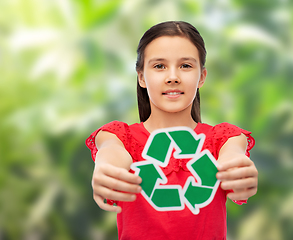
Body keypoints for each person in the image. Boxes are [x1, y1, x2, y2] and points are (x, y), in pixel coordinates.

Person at [86, 21, 258, 240]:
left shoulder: (222, 139)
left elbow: (233, 155)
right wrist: (106, 168)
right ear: (141, 77)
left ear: (202, 77)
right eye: (159, 66)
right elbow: (111, 152)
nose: (173, 77)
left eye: (186, 65)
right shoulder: (121, 137)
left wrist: (239, 173)